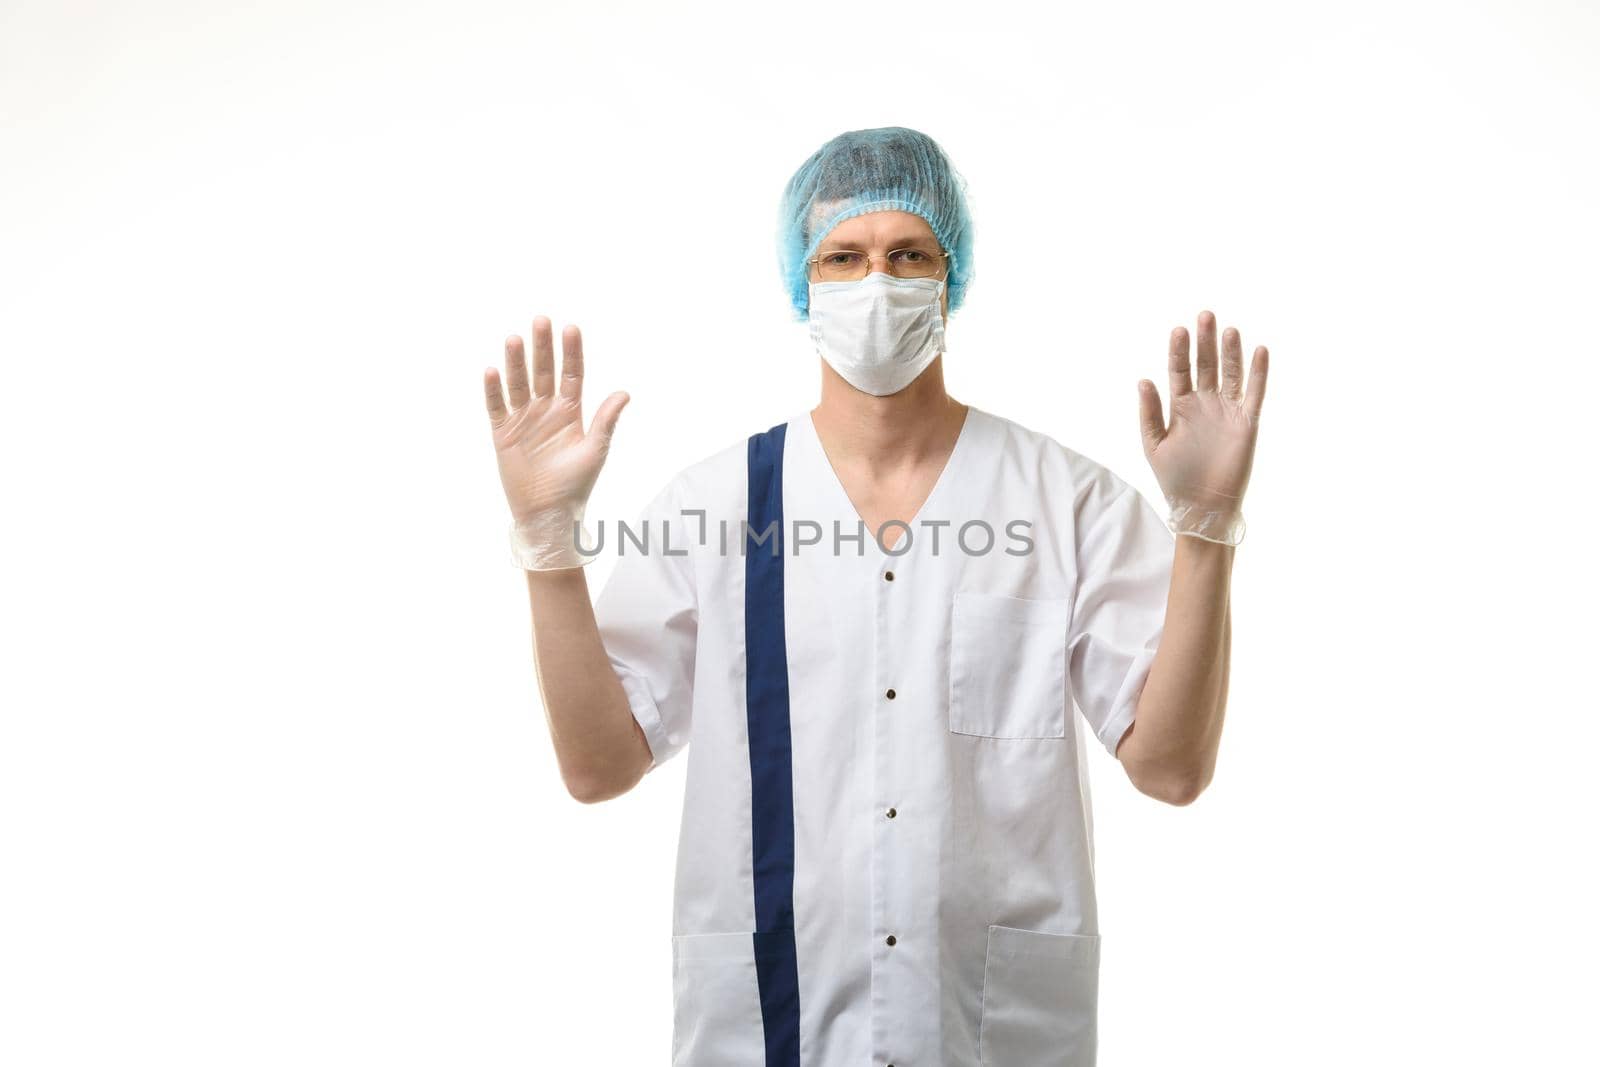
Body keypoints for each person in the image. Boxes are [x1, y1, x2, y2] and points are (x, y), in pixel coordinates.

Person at [481, 126, 1267, 1067]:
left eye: (909, 254)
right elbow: (598, 766)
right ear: (801, 284)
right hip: (771, 1026)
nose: (876, 280)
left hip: (987, 1033)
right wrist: (547, 541)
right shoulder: (716, 506)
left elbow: (1173, 768)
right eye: (843, 257)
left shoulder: (1066, 501)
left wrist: (1206, 525)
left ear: (952, 275)